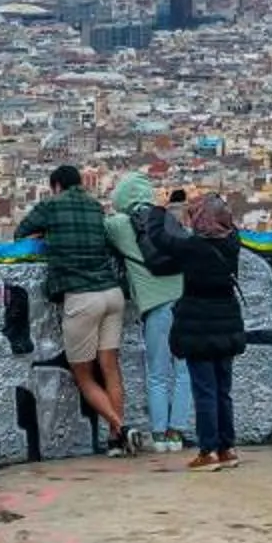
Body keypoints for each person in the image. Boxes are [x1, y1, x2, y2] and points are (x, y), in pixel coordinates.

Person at [16, 164, 131, 454]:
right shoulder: (95, 207)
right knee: (111, 369)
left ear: (56, 186)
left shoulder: (51, 206)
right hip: (112, 293)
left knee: (83, 374)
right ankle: (117, 440)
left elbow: (21, 232)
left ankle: (121, 428)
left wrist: (45, 235)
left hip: (82, 298)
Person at [159, 193, 248, 470]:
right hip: (227, 322)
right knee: (223, 390)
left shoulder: (193, 247)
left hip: (199, 325)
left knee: (205, 390)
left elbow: (162, 242)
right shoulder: (233, 243)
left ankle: (208, 450)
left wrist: (156, 214)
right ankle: (228, 447)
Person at [105, 171, 193, 451]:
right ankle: (176, 433)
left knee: (156, 373)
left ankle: (158, 435)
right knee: (183, 371)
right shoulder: (167, 218)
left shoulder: (120, 224)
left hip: (156, 307)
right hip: (184, 300)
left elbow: (100, 229)